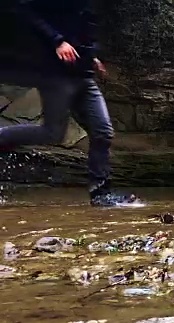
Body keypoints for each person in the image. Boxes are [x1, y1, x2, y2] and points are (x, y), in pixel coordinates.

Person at [0, 0, 138, 206]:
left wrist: (91, 57)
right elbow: (25, 11)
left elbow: (79, 29)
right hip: (55, 75)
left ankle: (100, 194)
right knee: (53, 133)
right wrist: (57, 41)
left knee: (103, 131)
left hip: (84, 75)